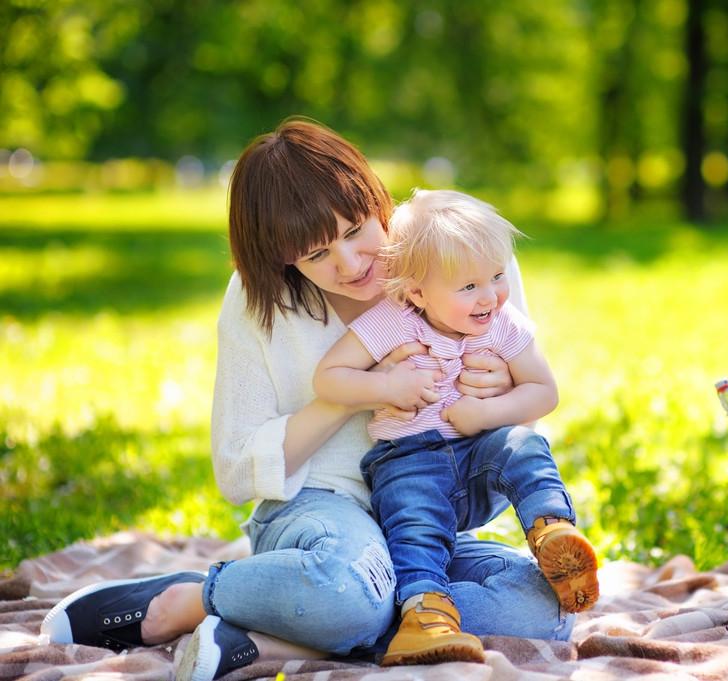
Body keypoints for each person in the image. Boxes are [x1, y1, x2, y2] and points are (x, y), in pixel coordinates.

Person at [39, 119, 575, 681]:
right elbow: (236, 467)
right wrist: (355, 391)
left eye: (356, 228)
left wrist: (500, 390)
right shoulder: (255, 300)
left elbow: (529, 412)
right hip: (322, 509)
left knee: (547, 607)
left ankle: (279, 632)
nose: (349, 263)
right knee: (348, 592)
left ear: (375, 197)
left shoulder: (461, 249)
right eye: (316, 254)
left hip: (426, 517)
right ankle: (197, 597)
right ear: (283, 259)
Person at [314, 189, 600, 666]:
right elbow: (328, 378)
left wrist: (488, 415)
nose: (489, 296)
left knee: (523, 445)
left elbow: (544, 392)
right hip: (408, 458)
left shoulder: (501, 324)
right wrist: (388, 388)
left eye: (496, 276)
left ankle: (552, 533)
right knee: (415, 524)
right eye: (469, 287)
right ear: (418, 293)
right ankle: (426, 614)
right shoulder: (394, 321)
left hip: (477, 455)